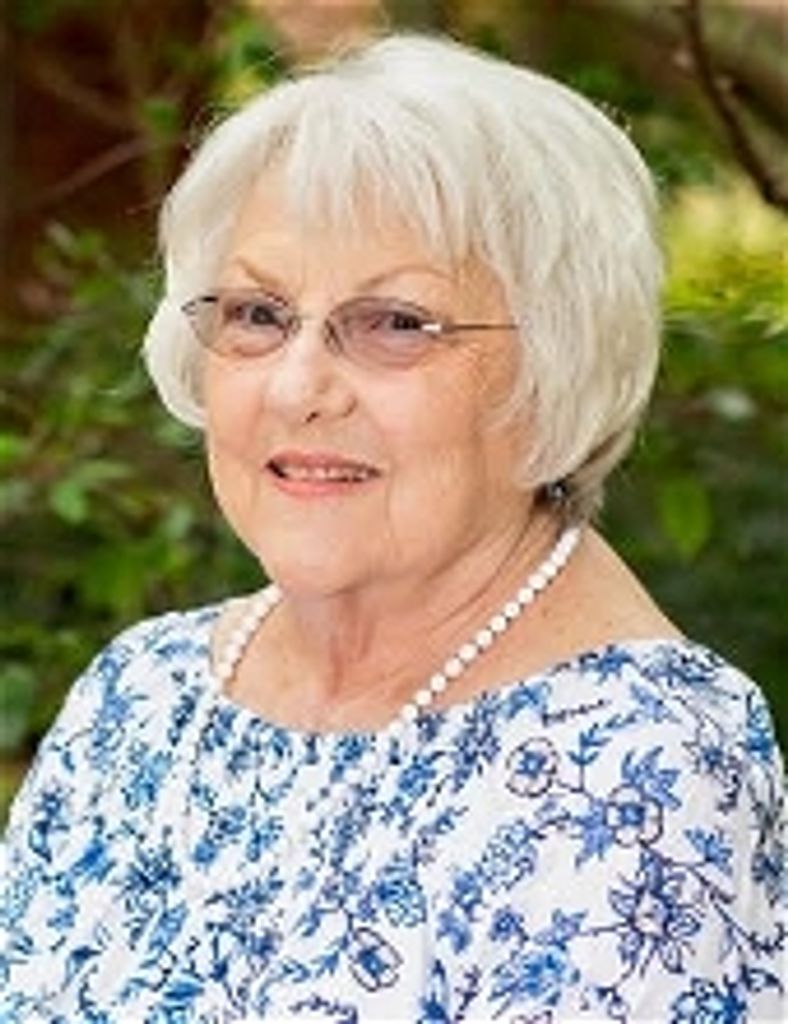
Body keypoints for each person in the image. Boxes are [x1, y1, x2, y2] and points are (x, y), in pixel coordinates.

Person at [1, 32, 784, 1024]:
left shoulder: (642, 766)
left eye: (396, 323)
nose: (297, 387)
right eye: (257, 314)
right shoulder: (142, 693)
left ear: (555, 367)